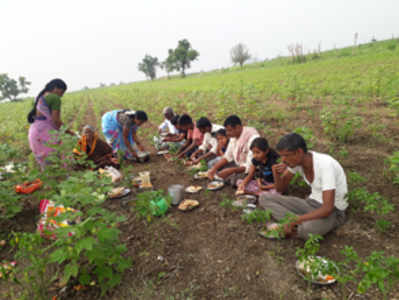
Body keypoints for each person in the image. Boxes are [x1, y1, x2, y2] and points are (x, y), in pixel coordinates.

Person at [259, 133, 348, 240]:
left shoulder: (325, 165)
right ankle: (294, 225)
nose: (283, 160)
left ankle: (293, 225)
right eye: (281, 156)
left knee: (308, 229)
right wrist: (276, 174)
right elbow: (280, 189)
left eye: (286, 155)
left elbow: (327, 208)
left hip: (333, 212)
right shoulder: (296, 163)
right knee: (264, 198)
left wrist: (297, 219)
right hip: (310, 204)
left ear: (299, 152)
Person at [27, 79, 69, 169]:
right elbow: (56, 121)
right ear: (56, 88)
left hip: (35, 132)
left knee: (48, 169)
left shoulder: (41, 97)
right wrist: (69, 132)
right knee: (56, 164)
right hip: (46, 133)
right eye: (62, 92)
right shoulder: (54, 98)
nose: (61, 95)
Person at [208, 115, 259, 185]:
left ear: (238, 127)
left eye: (229, 130)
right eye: (226, 130)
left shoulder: (252, 138)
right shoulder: (234, 136)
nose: (227, 133)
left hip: (250, 169)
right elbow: (228, 156)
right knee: (213, 165)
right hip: (237, 164)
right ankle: (223, 176)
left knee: (234, 180)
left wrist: (231, 170)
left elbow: (250, 165)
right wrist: (214, 169)